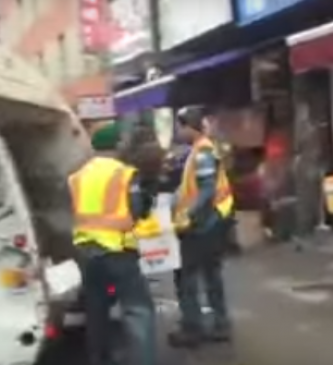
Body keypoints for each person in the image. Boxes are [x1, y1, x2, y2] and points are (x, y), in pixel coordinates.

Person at [70, 123, 164, 365]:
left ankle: (99, 359)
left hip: (86, 252)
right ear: (117, 144)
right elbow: (136, 210)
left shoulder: (77, 176)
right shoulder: (124, 173)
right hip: (118, 251)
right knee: (137, 310)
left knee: (96, 311)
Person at [168, 105, 235, 348]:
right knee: (211, 276)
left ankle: (193, 328)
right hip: (210, 222)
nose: (178, 130)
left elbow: (207, 189)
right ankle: (220, 324)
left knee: (187, 278)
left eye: (180, 125)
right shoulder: (198, 150)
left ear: (189, 126)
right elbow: (192, 187)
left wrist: (187, 214)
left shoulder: (203, 152)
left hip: (203, 224)